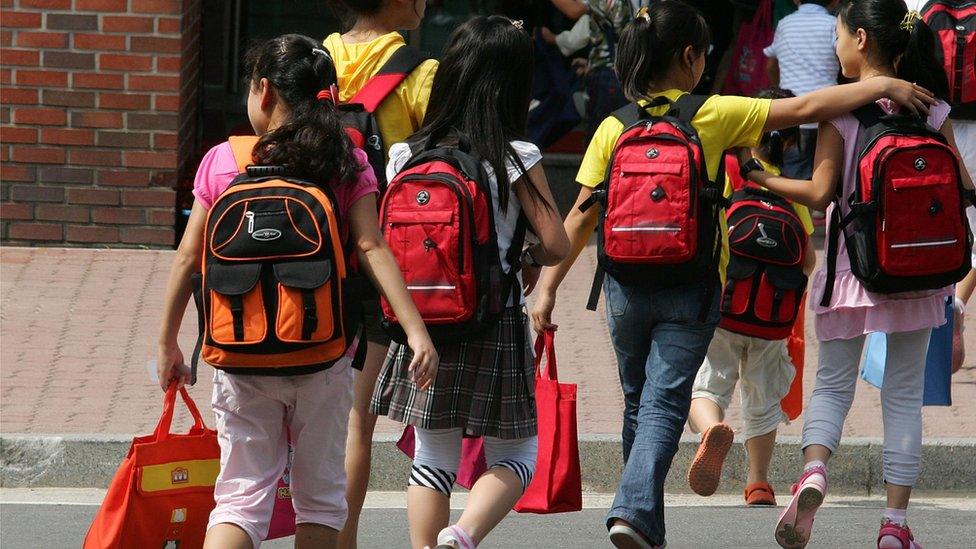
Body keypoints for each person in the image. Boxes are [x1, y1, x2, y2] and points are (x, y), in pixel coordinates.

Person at [529, 2, 934, 547]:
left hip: (623, 283)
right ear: (692, 58)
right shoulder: (712, 113)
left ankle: (639, 512)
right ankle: (633, 511)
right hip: (692, 284)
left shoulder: (611, 126)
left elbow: (581, 216)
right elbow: (810, 106)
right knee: (665, 400)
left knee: (638, 400)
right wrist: (884, 84)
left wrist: (550, 287)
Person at [155, 34, 438, 549]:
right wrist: (417, 332)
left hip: (240, 351)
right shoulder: (344, 160)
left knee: (240, 497)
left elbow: (188, 259)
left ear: (264, 91)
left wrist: (168, 342)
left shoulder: (223, 160)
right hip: (324, 353)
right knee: (321, 498)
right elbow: (373, 247)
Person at [737, 2, 975, 547]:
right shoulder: (931, 108)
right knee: (903, 394)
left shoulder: (841, 112)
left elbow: (820, 193)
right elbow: (964, 186)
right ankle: (894, 526)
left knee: (833, 384)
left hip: (852, 272)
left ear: (862, 39)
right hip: (919, 275)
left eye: (839, 38)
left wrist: (761, 179)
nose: (835, 48)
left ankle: (815, 469)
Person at [370, 16, 570, 549]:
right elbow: (557, 244)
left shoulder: (405, 155)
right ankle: (461, 535)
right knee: (519, 456)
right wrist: (522, 255)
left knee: (433, 455)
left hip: (423, 322)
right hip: (492, 317)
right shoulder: (514, 157)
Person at [322, 3, 438, 547]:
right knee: (355, 423)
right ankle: (342, 539)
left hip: (311, 255)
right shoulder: (419, 73)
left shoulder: (316, 58)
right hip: (378, 260)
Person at [686, 88, 818, 507]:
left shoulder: (726, 171)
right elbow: (808, 261)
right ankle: (758, 482)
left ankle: (710, 428)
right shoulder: (789, 191)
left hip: (722, 306)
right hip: (770, 318)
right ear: (792, 141)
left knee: (707, 384)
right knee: (763, 398)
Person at [549, 0, 648, 144]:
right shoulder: (640, 5)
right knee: (626, 133)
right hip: (631, 74)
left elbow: (574, 11)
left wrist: (549, 37)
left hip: (608, 77)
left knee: (600, 137)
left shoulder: (607, 2)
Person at [764, 1, 841, 180]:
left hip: (791, 116)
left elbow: (770, 66)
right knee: (825, 179)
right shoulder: (834, 24)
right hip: (826, 115)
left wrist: (781, 94)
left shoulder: (785, 24)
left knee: (791, 179)